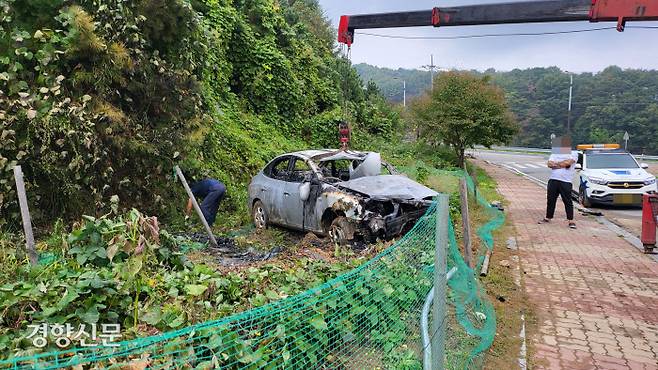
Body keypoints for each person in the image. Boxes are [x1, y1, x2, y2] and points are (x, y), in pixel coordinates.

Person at [538, 136, 578, 229]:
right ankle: (548, 217)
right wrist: (561, 164)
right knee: (551, 199)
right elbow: (549, 164)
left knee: (567, 200)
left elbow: (568, 163)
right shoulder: (555, 154)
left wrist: (557, 164)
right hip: (553, 179)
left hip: (566, 181)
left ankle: (571, 220)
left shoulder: (574, 153)